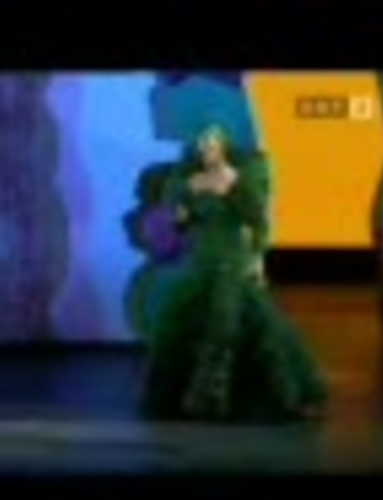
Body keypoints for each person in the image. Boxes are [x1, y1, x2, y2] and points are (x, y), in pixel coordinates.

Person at [141, 125, 328, 423]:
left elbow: (258, 222)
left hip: (232, 259)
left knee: (226, 325)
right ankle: (176, 396)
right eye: (202, 145)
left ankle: (223, 398)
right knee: (181, 317)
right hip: (202, 259)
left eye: (212, 144)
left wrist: (257, 259)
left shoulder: (236, 179)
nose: (207, 150)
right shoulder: (193, 181)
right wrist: (182, 214)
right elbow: (180, 222)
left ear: (223, 147)